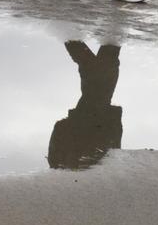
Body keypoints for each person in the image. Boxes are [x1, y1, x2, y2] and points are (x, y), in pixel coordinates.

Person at [47, 40, 123, 170]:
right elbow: (113, 147)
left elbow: (113, 145)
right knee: (98, 76)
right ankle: (106, 41)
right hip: (97, 120)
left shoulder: (65, 168)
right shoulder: (68, 169)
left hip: (90, 120)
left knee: (100, 77)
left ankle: (76, 40)